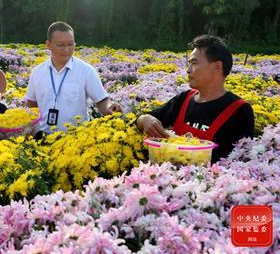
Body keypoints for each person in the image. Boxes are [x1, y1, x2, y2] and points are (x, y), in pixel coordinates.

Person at [136, 35, 255, 163]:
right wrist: (145, 119)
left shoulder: (240, 111)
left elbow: (240, 160)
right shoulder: (184, 99)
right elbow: (143, 119)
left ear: (217, 67)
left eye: (194, 63)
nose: (188, 70)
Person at [26, 21, 121, 135]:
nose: (66, 49)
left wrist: (110, 108)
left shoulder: (86, 71)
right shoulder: (37, 72)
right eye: (60, 45)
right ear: (48, 45)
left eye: (70, 44)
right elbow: (32, 104)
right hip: (42, 138)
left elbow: (102, 100)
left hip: (74, 140)